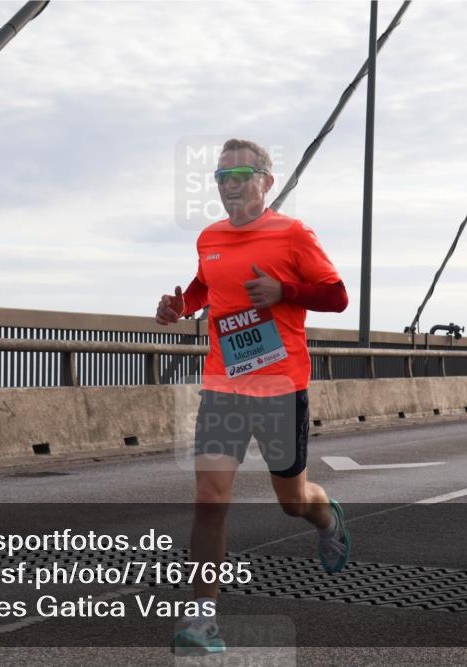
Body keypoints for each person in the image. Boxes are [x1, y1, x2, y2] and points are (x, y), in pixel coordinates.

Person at [156, 138, 350, 654]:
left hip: (281, 387)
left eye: (239, 174)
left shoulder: (293, 234)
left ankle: (325, 513)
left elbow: (336, 295)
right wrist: (181, 305)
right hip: (224, 385)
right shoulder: (210, 236)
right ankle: (201, 621)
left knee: (293, 502)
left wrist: (285, 292)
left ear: (266, 180)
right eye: (221, 177)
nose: (229, 185)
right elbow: (205, 285)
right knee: (209, 499)